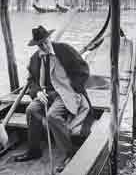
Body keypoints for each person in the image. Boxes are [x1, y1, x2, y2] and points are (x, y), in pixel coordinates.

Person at [14, 25, 90, 165]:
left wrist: (74, 89)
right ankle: (34, 151)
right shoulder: (35, 58)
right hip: (46, 94)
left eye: (45, 42)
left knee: (52, 115)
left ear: (49, 38)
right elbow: (31, 81)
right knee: (30, 110)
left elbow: (84, 70)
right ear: (36, 45)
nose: (44, 46)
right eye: (40, 45)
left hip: (65, 93)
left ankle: (69, 153)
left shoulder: (64, 50)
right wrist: (37, 91)